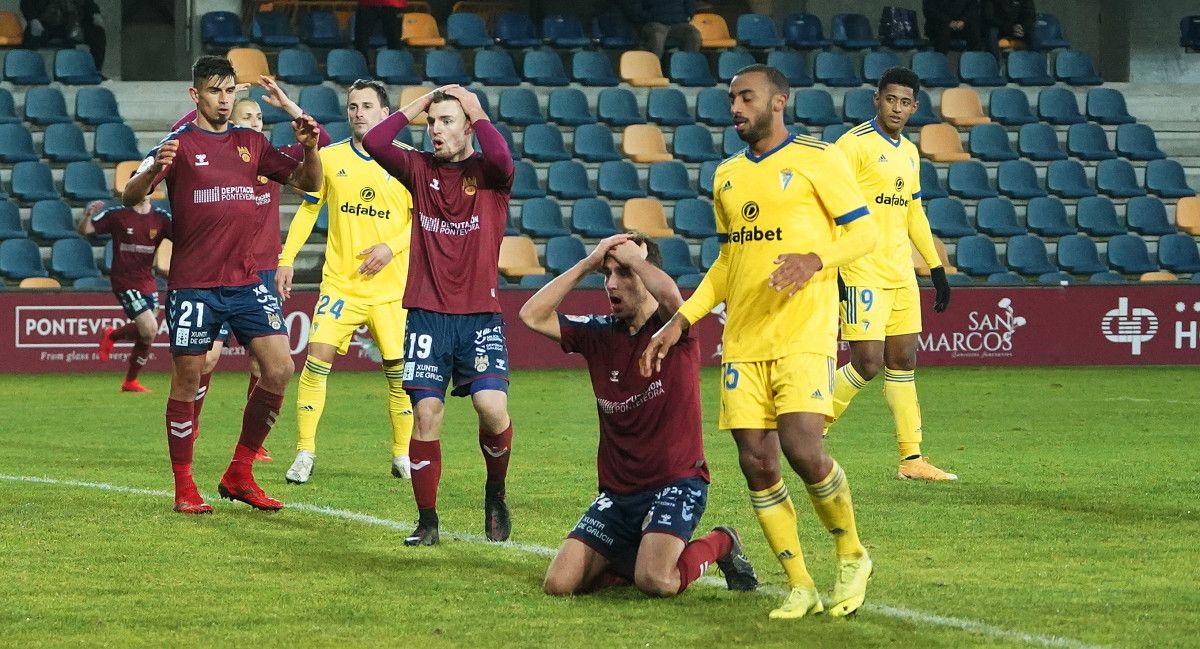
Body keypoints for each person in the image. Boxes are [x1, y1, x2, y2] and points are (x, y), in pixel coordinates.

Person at [640, 64, 876, 620]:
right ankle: (799, 583)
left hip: (803, 331)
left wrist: (815, 258)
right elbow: (727, 262)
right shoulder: (725, 176)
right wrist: (682, 319)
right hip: (743, 338)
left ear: (779, 101)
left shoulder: (820, 159)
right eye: (731, 99)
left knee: (801, 448)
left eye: (747, 97)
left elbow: (864, 232)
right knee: (757, 462)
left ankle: (851, 552)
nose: (736, 108)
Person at [122, 55, 322, 514]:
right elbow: (129, 193)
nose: (224, 99)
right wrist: (153, 173)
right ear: (196, 95)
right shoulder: (178, 144)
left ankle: (240, 471)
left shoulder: (251, 142)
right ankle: (184, 485)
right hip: (194, 286)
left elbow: (306, 182)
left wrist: (310, 149)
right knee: (188, 380)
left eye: (230, 91)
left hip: (246, 281)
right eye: (215, 91)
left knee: (279, 369)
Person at [521, 233, 758, 598]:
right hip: (618, 495)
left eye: (625, 273)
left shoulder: (674, 331)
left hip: (677, 483)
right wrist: (588, 263)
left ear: (647, 276)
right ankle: (631, 556)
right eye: (607, 274)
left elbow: (670, 298)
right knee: (559, 584)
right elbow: (531, 315)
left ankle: (723, 541)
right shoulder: (598, 334)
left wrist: (639, 262)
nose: (611, 284)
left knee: (657, 581)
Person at [362, 85, 514, 546]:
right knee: (426, 415)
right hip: (427, 316)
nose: (435, 130)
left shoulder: (490, 176)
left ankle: (496, 491)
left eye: (446, 121)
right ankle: (427, 522)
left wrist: (476, 110)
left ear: (469, 125)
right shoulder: (419, 168)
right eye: (432, 123)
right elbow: (374, 142)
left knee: (492, 409)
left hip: (479, 316)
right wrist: (420, 104)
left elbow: (504, 158)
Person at [171, 79, 331, 463]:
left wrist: (289, 106)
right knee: (207, 359)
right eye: (248, 116)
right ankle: (191, 427)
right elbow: (182, 134)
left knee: (267, 363)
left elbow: (321, 142)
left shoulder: (266, 154)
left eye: (260, 116)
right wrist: (220, 97)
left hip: (260, 268)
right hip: (215, 270)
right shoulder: (216, 149)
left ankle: (252, 446)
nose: (256, 122)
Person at [278, 79, 415, 485]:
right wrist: (286, 259)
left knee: (398, 373)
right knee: (316, 362)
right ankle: (304, 452)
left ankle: (402, 454)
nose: (358, 112)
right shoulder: (330, 157)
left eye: (367, 106)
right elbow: (307, 210)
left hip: (391, 291)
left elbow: (422, 222)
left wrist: (390, 248)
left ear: (385, 114)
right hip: (340, 286)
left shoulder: (407, 162)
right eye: (353, 106)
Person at [829, 67, 957, 482]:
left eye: (906, 102)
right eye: (891, 100)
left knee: (903, 361)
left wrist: (935, 267)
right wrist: (831, 264)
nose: (898, 108)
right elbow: (828, 206)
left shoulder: (909, 151)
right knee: (866, 363)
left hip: (901, 272)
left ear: (914, 107)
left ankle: (912, 459)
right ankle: (809, 426)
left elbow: (913, 211)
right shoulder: (852, 146)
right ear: (877, 99)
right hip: (861, 268)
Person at [84, 198, 170, 393]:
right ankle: (113, 337)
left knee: (147, 335)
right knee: (149, 329)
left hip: (147, 281)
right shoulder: (118, 215)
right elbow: (87, 230)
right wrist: (88, 215)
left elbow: (184, 238)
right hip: (124, 280)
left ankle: (130, 381)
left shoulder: (161, 218)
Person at [21, 0, 107, 70]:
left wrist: (95, 13)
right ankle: (27, 70)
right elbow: (26, 3)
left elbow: (88, 3)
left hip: (71, 25)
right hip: (45, 24)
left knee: (97, 33)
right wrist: (33, 19)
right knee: (30, 37)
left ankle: (96, 71)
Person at [621, 0, 701, 61]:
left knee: (693, 34)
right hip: (654, 23)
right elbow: (634, 9)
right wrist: (649, 18)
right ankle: (651, 70)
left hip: (678, 24)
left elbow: (689, 5)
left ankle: (687, 69)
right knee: (658, 35)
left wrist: (688, 14)